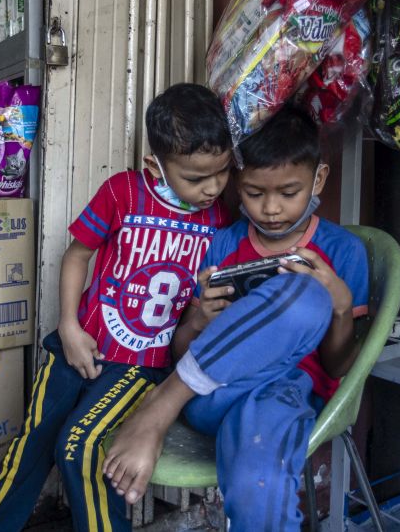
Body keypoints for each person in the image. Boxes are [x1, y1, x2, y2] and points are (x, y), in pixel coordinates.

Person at [0, 83, 233, 532]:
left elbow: (198, 311)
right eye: (195, 177)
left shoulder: (219, 221)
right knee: (34, 440)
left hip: (142, 364)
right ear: (156, 164)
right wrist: (69, 326)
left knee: (81, 447)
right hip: (81, 342)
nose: (212, 188)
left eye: (222, 173)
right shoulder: (123, 192)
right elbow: (76, 256)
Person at [103, 104, 370, 531]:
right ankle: (161, 405)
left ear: (318, 179)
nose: (271, 209)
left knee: (258, 486)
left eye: (288, 192)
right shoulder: (224, 244)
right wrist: (198, 320)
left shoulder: (343, 251)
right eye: (254, 193)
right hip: (212, 394)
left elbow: (339, 367)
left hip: (283, 398)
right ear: (237, 185)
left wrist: (339, 304)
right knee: (302, 293)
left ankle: (162, 403)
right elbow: (183, 347)